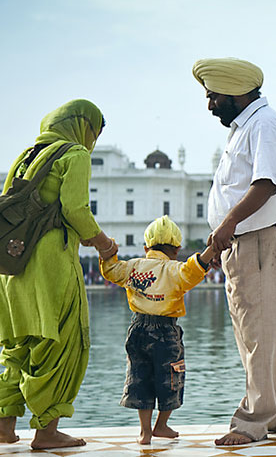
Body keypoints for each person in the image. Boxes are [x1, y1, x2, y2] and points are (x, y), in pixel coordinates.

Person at [192, 57, 276, 446]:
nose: (210, 105)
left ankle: (252, 422)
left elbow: (266, 183)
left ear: (235, 92)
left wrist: (227, 224)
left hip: (255, 238)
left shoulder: (265, 124)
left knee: (258, 334)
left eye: (213, 96)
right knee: (258, 334)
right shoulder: (247, 126)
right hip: (246, 241)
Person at [0, 100, 117, 449]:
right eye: (93, 129)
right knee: (57, 339)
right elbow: (76, 210)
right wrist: (104, 244)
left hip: (11, 264)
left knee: (17, 344)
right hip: (49, 261)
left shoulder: (26, 154)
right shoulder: (75, 154)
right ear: (82, 126)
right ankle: (47, 433)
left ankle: (4, 427)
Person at [98, 215, 216, 444]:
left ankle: (145, 431)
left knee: (140, 377)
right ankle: (161, 425)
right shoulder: (175, 270)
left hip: (138, 328)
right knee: (171, 377)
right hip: (166, 331)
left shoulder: (133, 267)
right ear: (176, 249)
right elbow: (196, 268)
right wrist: (212, 248)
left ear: (146, 248)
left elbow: (111, 270)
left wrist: (107, 249)